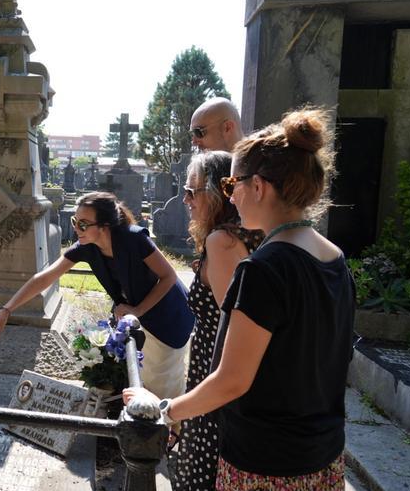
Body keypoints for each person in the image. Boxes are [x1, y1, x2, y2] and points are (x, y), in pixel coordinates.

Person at [124, 106, 354, 490]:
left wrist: (164, 411)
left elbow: (232, 380)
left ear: (259, 186)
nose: (230, 199)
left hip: (266, 463)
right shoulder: (334, 257)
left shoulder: (263, 269)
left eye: (232, 187)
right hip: (323, 455)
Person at [0, 192, 194, 400]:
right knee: (138, 386)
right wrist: (6, 310)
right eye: (75, 221)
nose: (76, 229)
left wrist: (137, 310)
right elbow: (45, 278)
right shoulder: (87, 247)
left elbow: (168, 276)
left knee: (164, 392)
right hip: (135, 321)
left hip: (168, 318)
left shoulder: (134, 238)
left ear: (104, 226)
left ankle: (174, 434)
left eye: (83, 224)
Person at [171, 150, 263, 490]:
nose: (186, 199)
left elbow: (233, 329)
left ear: (216, 192)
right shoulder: (244, 234)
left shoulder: (223, 243)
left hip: (217, 387)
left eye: (192, 191)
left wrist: (178, 409)